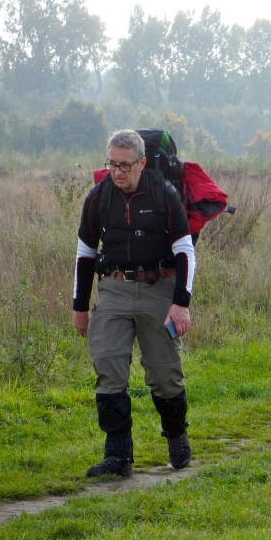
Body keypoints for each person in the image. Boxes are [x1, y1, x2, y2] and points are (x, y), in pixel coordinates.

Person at [72, 129, 197, 478]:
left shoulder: (163, 194)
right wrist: (80, 306)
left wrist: (180, 303)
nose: (117, 171)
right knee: (108, 370)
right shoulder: (99, 198)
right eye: (111, 163)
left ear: (142, 163)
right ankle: (118, 457)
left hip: (159, 291)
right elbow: (85, 253)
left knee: (164, 375)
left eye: (125, 165)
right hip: (113, 292)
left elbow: (185, 251)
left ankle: (176, 436)